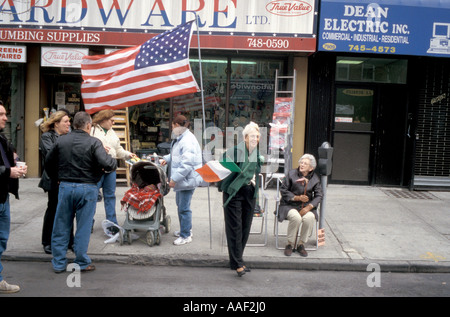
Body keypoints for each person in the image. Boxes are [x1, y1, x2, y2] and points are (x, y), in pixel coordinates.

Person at [45, 111, 117, 273]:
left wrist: (57, 177)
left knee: (61, 225)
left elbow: (48, 163)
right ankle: (81, 262)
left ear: (73, 124)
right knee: (83, 227)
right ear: (88, 126)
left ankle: (58, 262)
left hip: (65, 186)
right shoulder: (94, 142)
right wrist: (109, 158)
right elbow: (108, 164)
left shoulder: (61, 140)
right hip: (87, 188)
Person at [218, 121, 262, 277]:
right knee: (235, 228)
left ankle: (237, 260)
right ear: (245, 137)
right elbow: (221, 169)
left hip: (250, 192)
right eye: (252, 136)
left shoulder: (256, 152)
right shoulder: (235, 151)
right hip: (234, 192)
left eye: (257, 136)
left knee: (245, 227)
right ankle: (238, 264)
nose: (255, 138)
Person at [160, 115, 202, 246]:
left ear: (177, 126)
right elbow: (176, 155)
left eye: (172, 126)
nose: (172, 129)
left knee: (183, 208)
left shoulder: (187, 140)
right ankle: (186, 229)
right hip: (185, 179)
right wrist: (166, 158)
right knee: (181, 205)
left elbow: (186, 164)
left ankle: (186, 235)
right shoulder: (182, 138)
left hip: (187, 180)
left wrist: (174, 179)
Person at [91, 110, 137, 224]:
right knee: (92, 197)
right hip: (96, 168)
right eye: (111, 120)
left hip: (110, 168)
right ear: (103, 120)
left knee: (110, 196)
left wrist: (128, 154)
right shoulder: (92, 131)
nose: (113, 122)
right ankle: (89, 222)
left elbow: (118, 150)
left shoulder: (112, 132)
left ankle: (111, 222)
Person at [0, 102, 28, 293]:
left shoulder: (2, 139)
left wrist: (17, 165)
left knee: (1, 240)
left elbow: (7, 160)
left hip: (3, 197)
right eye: (1, 114)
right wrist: (7, 171)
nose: (5, 117)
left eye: (5, 114)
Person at [39, 111, 72, 254]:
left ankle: (69, 240)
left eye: (69, 121)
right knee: (53, 209)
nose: (69, 124)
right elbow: (50, 155)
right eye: (65, 121)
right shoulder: (47, 137)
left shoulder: (69, 137)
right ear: (56, 123)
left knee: (68, 211)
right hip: (53, 179)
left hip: (68, 178)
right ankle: (47, 241)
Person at [278, 154, 323, 257]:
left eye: (305, 163)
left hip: (306, 206)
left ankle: (301, 244)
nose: (302, 165)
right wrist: (297, 197)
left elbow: (319, 195)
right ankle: (290, 244)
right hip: (289, 205)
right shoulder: (291, 174)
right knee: (296, 217)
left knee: (310, 217)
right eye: (301, 162)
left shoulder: (315, 179)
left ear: (311, 168)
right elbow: (283, 190)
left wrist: (309, 207)